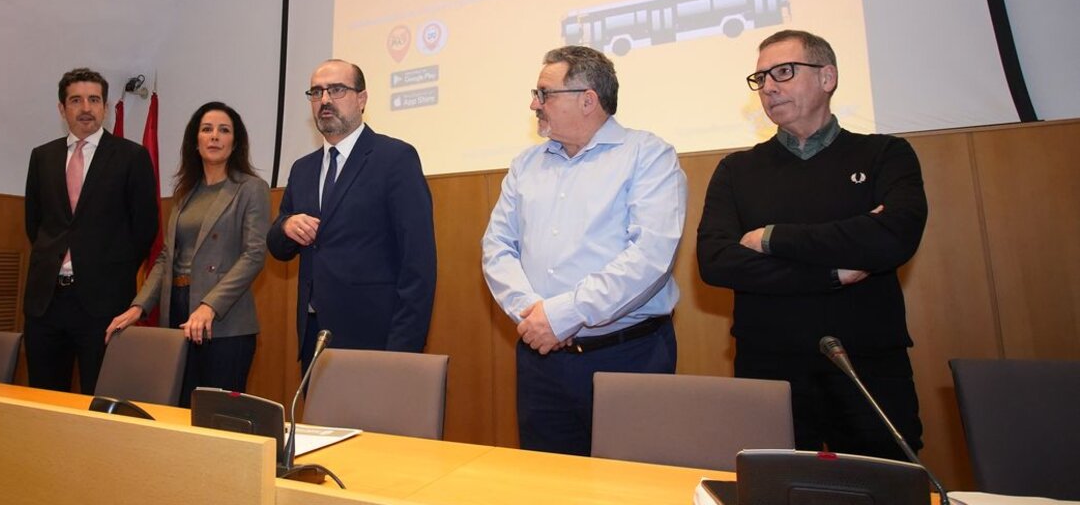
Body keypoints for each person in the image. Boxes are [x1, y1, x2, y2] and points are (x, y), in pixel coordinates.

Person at [697, 29, 928, 460]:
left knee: (885, 485)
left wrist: (771, 237)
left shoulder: (885, 155)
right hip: (768, 367)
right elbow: (716, 262)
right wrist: (833, 271)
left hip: (868, 363)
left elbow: (893, 238)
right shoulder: (736, 170)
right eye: (761, 77)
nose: (768, 86)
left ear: (827, 77)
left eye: (783, 72)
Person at [482, 45, 687, 456]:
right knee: (548, 487)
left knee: (630, 489)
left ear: (588, 99)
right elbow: (497, 247)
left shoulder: (648, 156)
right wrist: (535, 315)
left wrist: (562, 316)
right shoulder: (525, 165)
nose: (533, 104)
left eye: (544, 93)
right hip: (541, 360)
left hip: (629, 356)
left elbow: (649, 257)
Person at [267, 59, 437, 370]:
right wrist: (286, 226)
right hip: (314, 339)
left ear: (361, 99)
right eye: (317, 92)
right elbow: (279, 247)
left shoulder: (395, 159)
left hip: (377, 341)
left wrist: (403, 350)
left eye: (337, 90)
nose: (325, 100)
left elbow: (419, 264)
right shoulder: (302, 168)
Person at [107, 102, 269, 404]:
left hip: (225, 320)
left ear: (235, 143)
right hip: (178, 312)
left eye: (224, 130)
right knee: (179, 408)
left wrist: (210, 306)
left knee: (217, 414)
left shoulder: (251, 188)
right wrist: (139, 306)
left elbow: (254, 255)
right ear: (195, 141)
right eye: (206, 129)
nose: (214, 136)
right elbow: (166, 258)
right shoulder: (185, 193)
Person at [24, 68, 159, 394]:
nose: (86, 107)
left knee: (99, 401)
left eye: (94, 99)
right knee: (43, 399)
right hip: (47, 302)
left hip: (104, 304)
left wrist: (110, 271)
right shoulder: (42, 157)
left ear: (105, 106)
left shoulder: (131, 157)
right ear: (62, 108)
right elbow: (35, 223)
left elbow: (145, 228)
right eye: (76, 100)